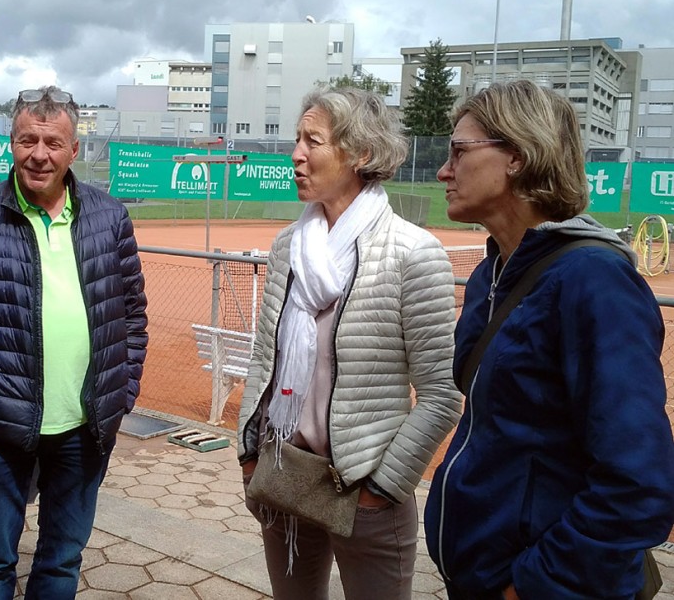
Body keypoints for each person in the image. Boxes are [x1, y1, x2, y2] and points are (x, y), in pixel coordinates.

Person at [426, 79, 674, 599]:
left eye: (458, 151)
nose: (444, 171)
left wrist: (533, 585)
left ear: (516, 156)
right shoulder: (490, 275)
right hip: (479, 575)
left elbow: (638, 485)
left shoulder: (595, 282)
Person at [237, 85, 462, 600]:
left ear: (361, 153)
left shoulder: (414, 254)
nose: (296, 153)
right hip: (284, 475)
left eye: (312, 140)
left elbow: (441, 394)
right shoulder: (288, 246)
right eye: (297, 138)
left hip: (365, 488)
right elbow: (262, 359)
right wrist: (250, 455)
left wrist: (381, 489)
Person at [0, 85, 148, 599]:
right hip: (0, 426)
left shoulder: (109, 216)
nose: (39, 154)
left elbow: (132, 316)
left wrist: (121, 395)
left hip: (86, 425)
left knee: (61, 558)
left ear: (74, 150)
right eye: (27, 140)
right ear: (10, 143)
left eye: (53, 143)